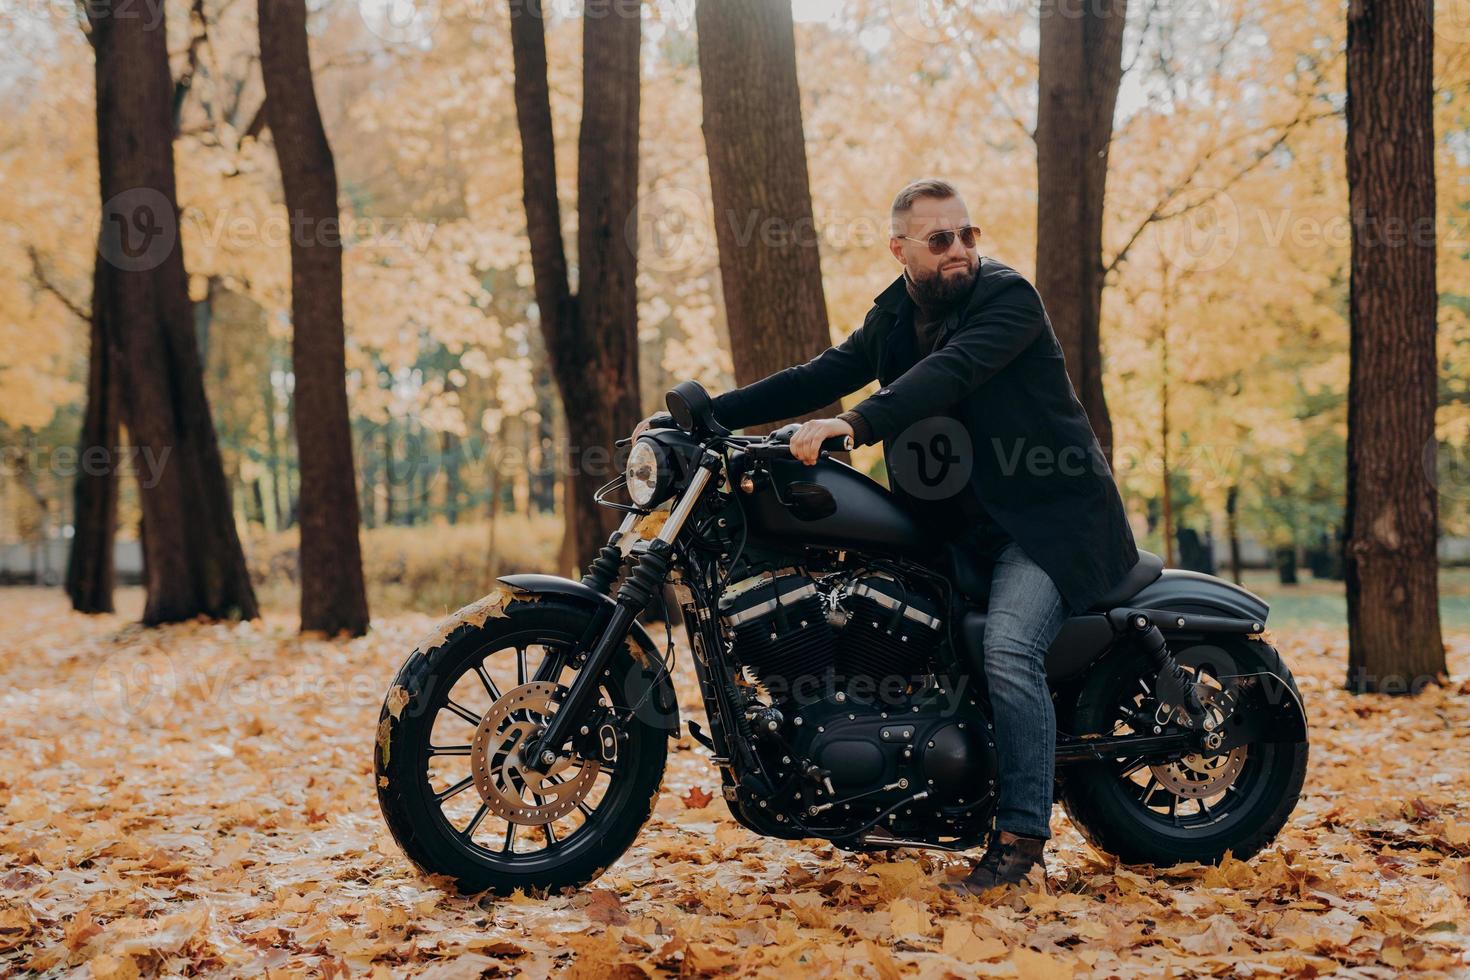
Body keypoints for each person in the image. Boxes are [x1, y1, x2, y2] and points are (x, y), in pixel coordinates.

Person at [633, 177, 1139, 892]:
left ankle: (1021, 836)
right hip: (959, 527)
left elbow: (950, 374)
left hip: (1048, 523)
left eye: (968, 234)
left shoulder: (1007, 298)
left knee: (1008, 648)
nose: (960, 249)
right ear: (901, 249)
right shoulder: (896, 314)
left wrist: (856, 424)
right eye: (941, 240)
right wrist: (708, 414)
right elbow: (824, 372)